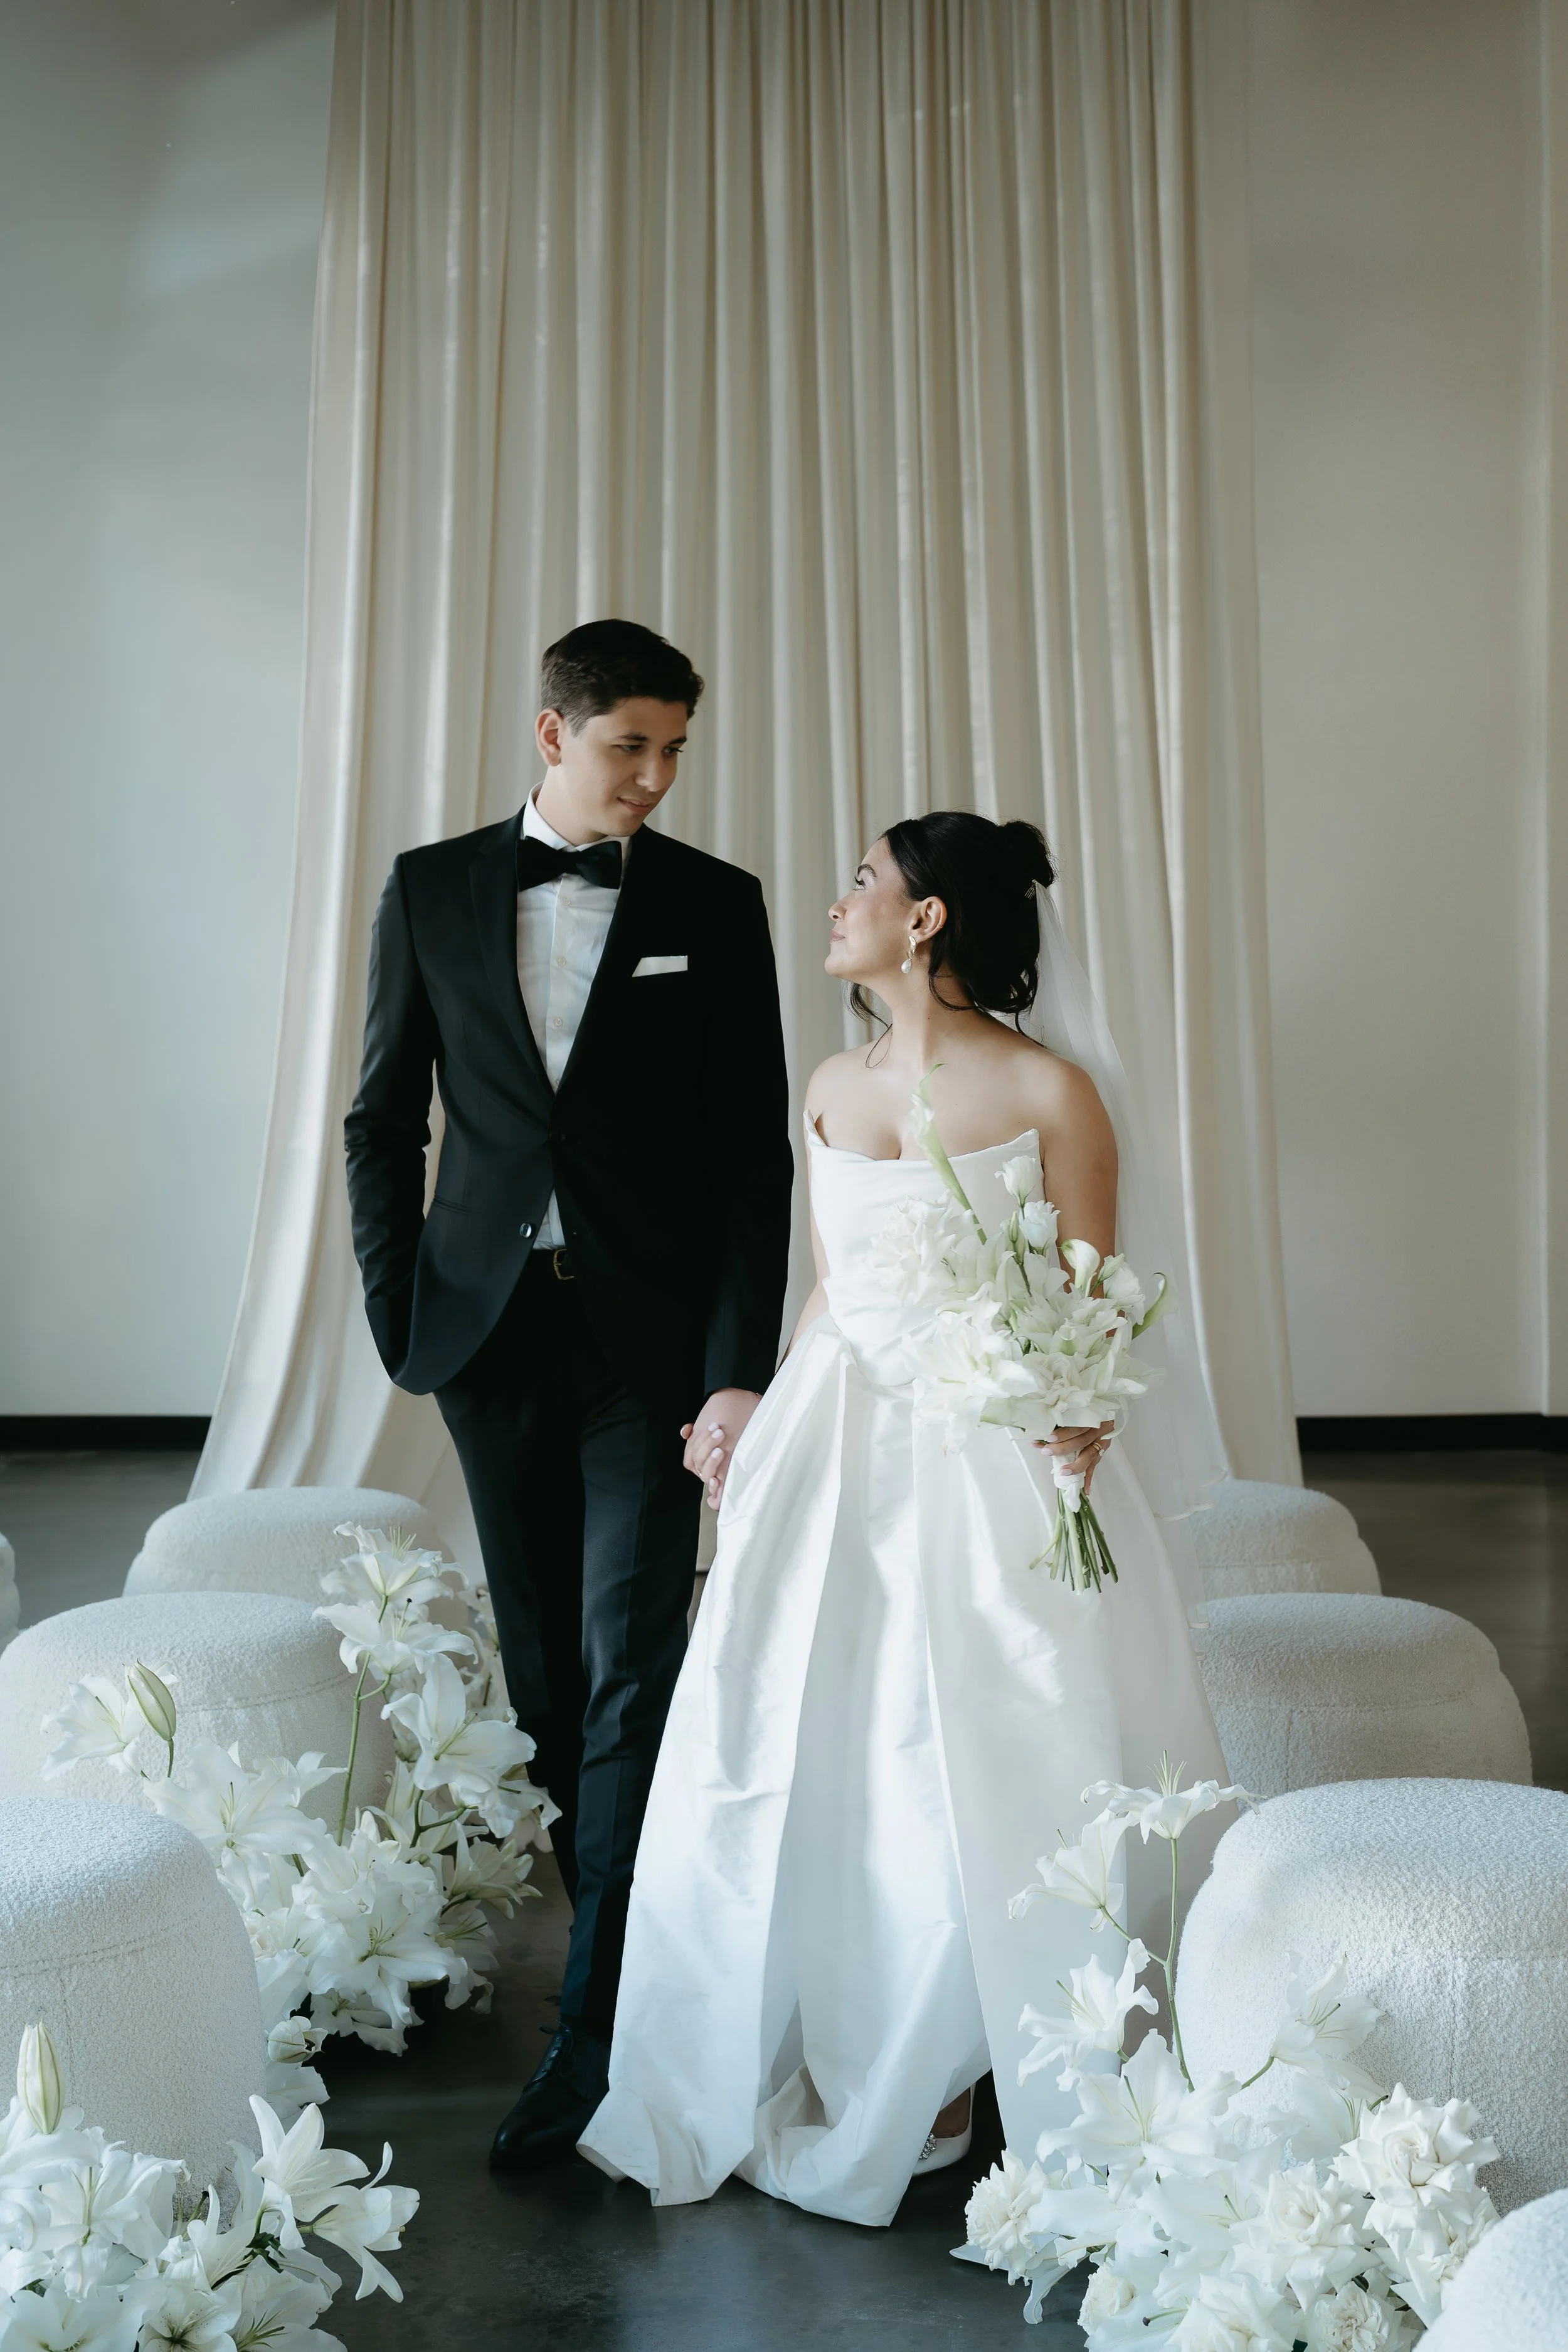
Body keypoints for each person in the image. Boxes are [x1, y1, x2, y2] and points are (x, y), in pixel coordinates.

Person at [578, 810, 1230, 2225]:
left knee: (976, 1748)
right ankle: (863, 2045)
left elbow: (1084, 1298)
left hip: (990, 1449)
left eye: (863, 883)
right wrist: (749, 1398)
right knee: (815, 1744)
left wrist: (1074, 1408)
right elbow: (835, 1282)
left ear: (924, 921)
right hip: (835, 1434)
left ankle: (973, 2048)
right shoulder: (827, 1080)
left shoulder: (1052, 1092)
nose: (838, 904)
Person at [343, 618, 793, 2174]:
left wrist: (740, 1364)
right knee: (543, 1679)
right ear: (552, 734)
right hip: (484, 1337)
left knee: (628, 1665)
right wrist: (403, 1315)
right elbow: (377, 1116)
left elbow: (750, 1163)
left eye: (674, 751)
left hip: (649, 1348)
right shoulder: (430, 888)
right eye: (628, 749)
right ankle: (609, 1933)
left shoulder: (715, 907)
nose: (654, 780)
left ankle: (595, 2034)